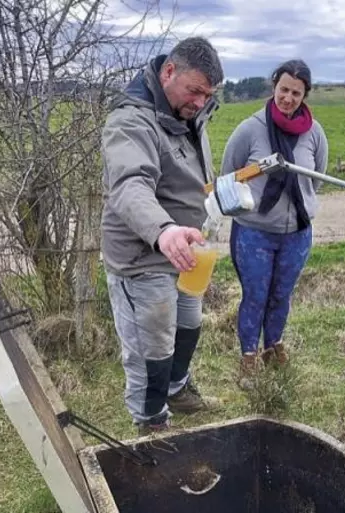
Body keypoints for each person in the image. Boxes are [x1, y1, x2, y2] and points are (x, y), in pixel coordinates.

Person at [100, 37, 224, 434]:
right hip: (145, 255)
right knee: (151, 348)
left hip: (186, 249)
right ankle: (151, 421)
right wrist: (164, 229)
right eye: (195, 91)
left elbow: (192, 176)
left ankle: (177, 387)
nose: (201, 102)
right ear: (168, 72)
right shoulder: (130, 122)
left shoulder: (189, 112)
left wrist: (222, 196)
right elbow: (129, 185)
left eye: (208, 94)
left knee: (188, 325)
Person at [220, 59, 328, 389]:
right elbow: (230, 173)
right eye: (284, 89)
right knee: (255, 294)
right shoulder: (250, 129)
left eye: (296, 92)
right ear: (274, 87)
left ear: (305, 95)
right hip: (254, 231)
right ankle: (248, 357)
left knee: (281, 294)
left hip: (297, 232)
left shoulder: (314, 133)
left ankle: (273, 345)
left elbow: (316, 178)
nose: (288, 98)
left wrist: (296, 207)